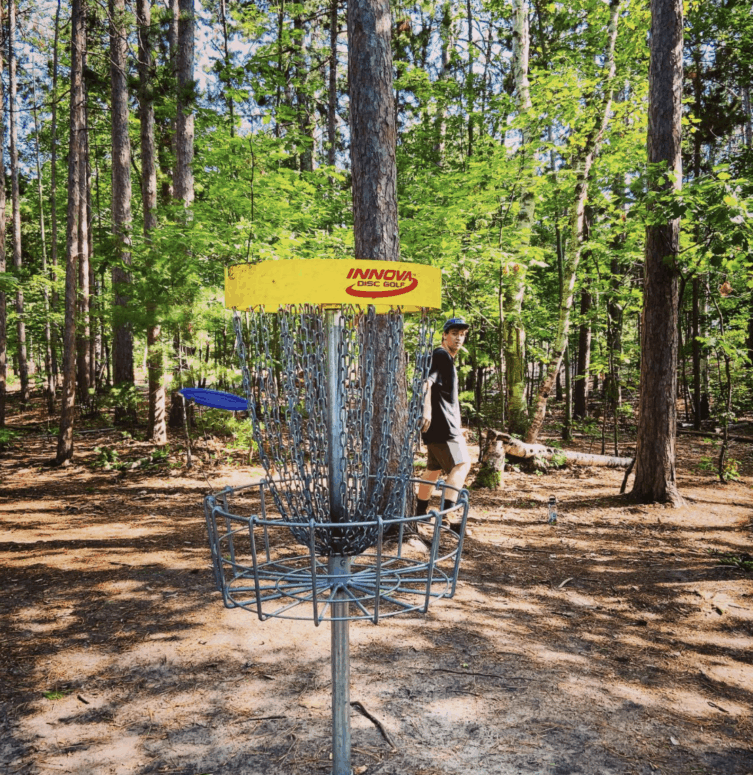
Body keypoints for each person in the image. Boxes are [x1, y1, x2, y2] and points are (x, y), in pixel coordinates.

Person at [415, 317, 472, 528]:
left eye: (462, 335)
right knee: (463, 464)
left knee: (433, 469)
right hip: (443, 425)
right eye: (455, 333)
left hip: (443, 425)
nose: (459, 338)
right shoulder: (441, 355)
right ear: (445, 335)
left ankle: (420, 512)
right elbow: (426, 383)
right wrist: (427, 411)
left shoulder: (444, 357)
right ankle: (447, 515)